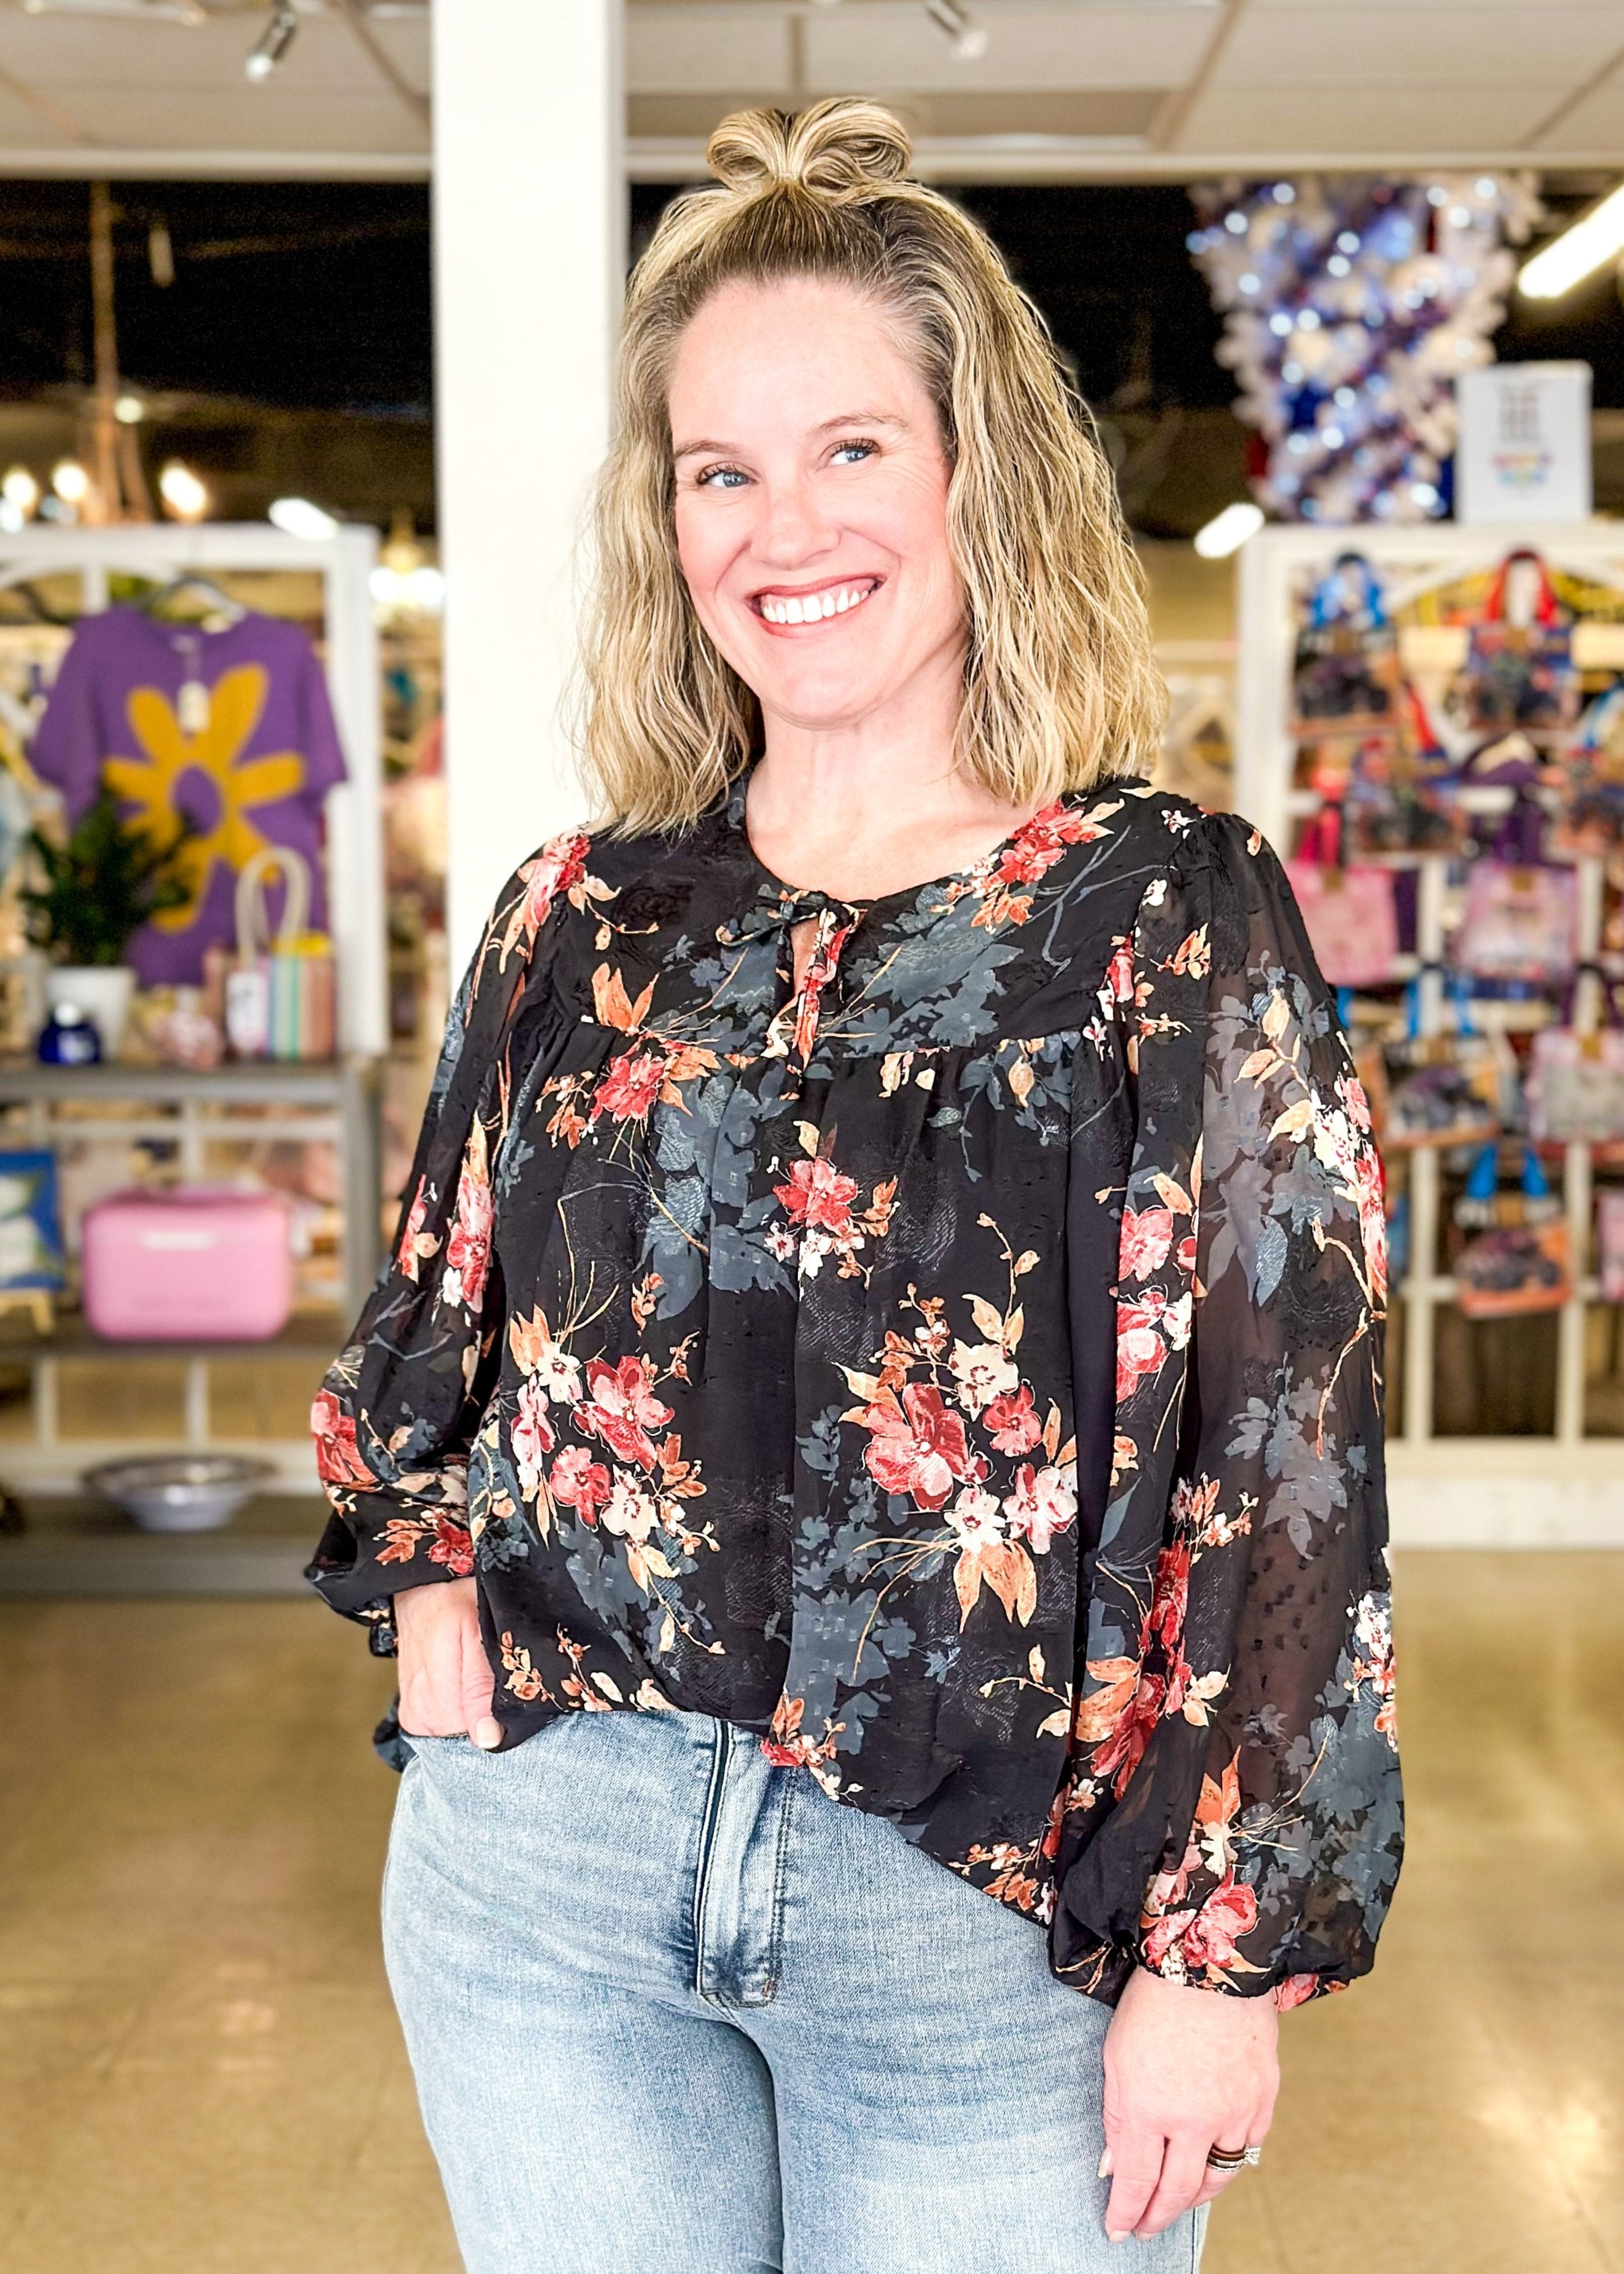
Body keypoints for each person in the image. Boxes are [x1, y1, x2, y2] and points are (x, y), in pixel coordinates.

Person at [308, 99, 1402, 2274]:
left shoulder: (1156, 913)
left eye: (848, 451)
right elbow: (429, 1318)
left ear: (974, 473)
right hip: (554, 1889)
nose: (777, 526)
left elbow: (1282, 1462)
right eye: (718, 469)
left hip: (984, 1926)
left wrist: (1214, 1951)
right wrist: (434, 1603)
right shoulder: (576, 916)